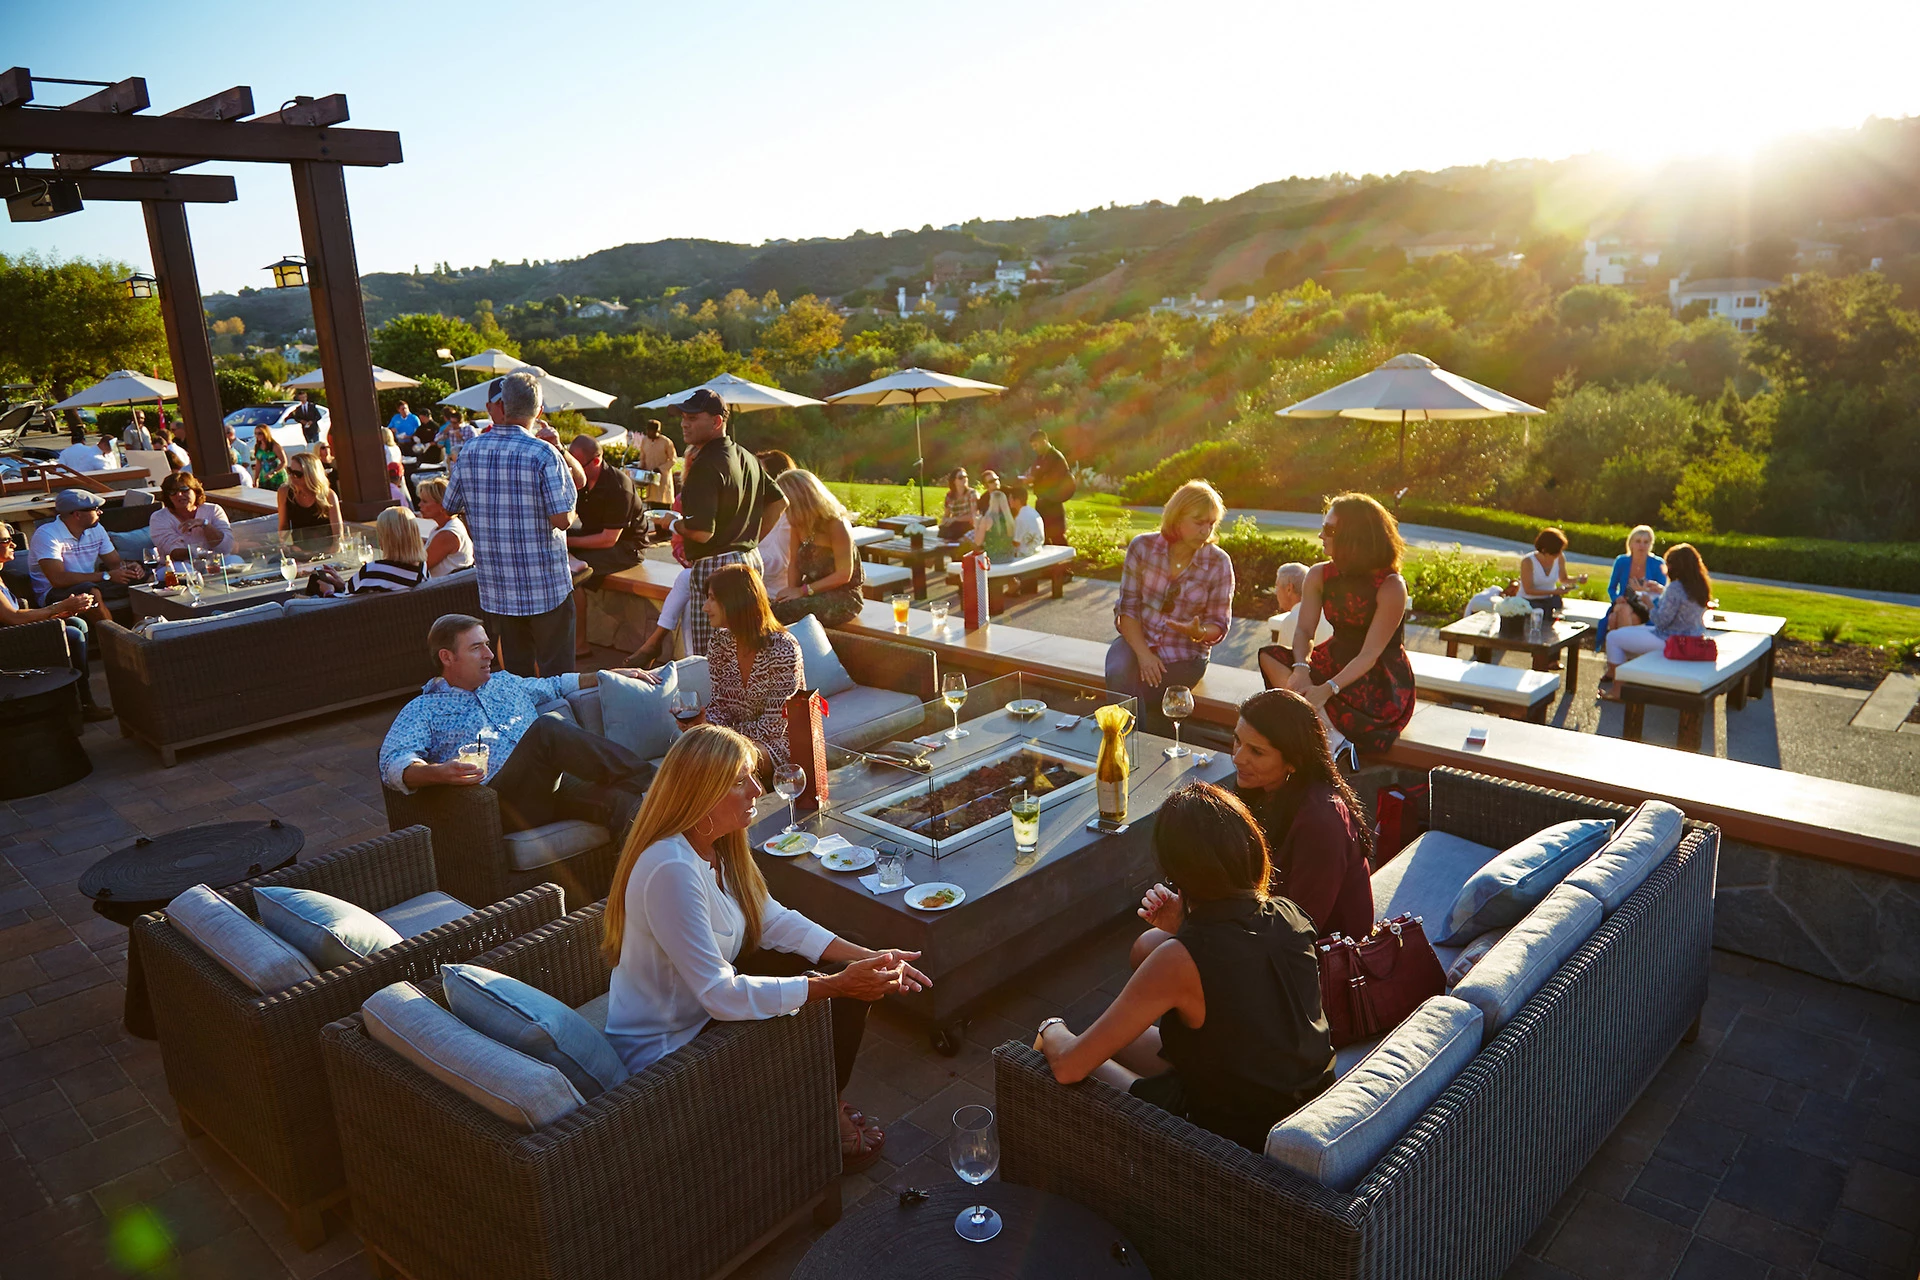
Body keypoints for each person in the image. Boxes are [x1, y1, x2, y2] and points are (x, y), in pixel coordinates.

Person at [599, 724, 929, 1172]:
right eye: (740, 781)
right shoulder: (670, 870)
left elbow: (772, 920)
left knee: (841, 973)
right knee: (835, 991)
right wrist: (833, 985)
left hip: (699, 1012)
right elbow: (718, 994)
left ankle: (822, 1094)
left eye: (753, 775)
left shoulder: (718, 845)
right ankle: (820, 1111)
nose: (758, 788)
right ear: (701, 794)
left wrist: (865, 955)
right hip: (669, 1047)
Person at [1031, 782, 1333, 1153]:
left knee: (1058, 1050)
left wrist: (1050, 1028)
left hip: (1227, 1140)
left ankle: (1056, 1159)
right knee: (1101, 1034)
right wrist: (1186, 924)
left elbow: (1068, 1067)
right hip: (1295, 1105)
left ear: (1178, 870)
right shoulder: (1290, 915)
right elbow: (1227, 974)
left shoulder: (1182, 958)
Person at [378, 614, 656, 835]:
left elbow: (556, 685)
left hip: (548, 789)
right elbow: (393, 762)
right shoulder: (424, 708)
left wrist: (607, 674)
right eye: (477, 648)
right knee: (548, 728)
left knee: (625, 804)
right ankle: (659, 781)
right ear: (447, 657)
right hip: (501, 803)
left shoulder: (505, 682)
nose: (489, 654)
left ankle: (632, 891)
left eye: (487, 644)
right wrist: (439, 772)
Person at [443, 371, 579, 677]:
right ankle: (557, 724)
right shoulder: (544, 453)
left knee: (516, 675)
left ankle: (523, 726)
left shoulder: (470, 450)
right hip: (545, 586)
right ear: (539, 412)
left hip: (497, 586)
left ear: (502, 406)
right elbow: (562, 519)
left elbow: (449, 506)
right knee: (558, 676)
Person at [1260, 493, 1416, 760]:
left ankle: (1317, 741)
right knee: (1269, 657)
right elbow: (1304, 631)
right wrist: (1300, 668)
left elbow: (1370, 654)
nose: (1321, 535)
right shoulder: (1320, 574)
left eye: (1329, 529)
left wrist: (1327, 688)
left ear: (1355, 536)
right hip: (1333, 658)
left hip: (1376, 674)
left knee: (1318, 698)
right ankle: (1325, 736)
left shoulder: (1390, 585)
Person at [1231, 689, 1374, 940]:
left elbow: (1299, 926)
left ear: (1293, 761)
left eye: (1256, 751)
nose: (1237, 758)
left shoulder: (1322, 821)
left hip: (1319, 956)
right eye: (1237, 741)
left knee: (1157, 948)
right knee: (1156, 943)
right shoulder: (1262, 792)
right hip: (1265, 924)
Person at [1108, 480, 1234, 737]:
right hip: (1136, 642)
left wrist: (1197, 631)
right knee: (1118, 671)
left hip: (1184, 655)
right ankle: (1137, 747)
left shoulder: (1219, 563)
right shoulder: (1142, 548)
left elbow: (1219, 626)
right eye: (1199, 522)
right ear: (1176, 518)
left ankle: (1128, 745)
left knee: (1138, 689)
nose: (1206, 530)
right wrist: (1144, 654)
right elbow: (1127, 609)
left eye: (1211, 523)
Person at [661, 388, 775, 656]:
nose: (684, 422)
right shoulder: (747, 456)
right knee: (745, 647)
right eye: (683, 416)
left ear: (716, 422)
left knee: (711, 657)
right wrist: (751, 540)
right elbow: (779, 502)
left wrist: (671, 523)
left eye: (692, 417)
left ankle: (717, 700)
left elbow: (701, 533)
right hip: (749, 561)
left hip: (716, 568)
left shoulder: (704, 464)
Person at [690, 563, 802, 772]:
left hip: (780, 743)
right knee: (688, 752)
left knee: (726, 764)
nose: (705, 607)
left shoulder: (783, 647)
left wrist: (720, 734)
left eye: (713, 599)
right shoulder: (720, 642)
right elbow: (721, 704)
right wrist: (704, 722)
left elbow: (774, 727)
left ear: (735, 601)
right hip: (736, 740)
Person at [0, 521, 112, 721]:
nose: (14, 544)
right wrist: (58, 608)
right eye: (6, 540)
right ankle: (81, 702)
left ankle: (81, 699)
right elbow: (13, 618)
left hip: (15, 632)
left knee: (77, 623)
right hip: (8, 644)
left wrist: (59, 614)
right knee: (74, 634)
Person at [567, 433, 644, 656]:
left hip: (625, 547)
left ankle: (579, 646)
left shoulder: (619, 485)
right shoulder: (579, 483)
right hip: (595, 536)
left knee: (572, 577)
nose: (572, 471)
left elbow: (609, 538)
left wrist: (567, 542)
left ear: (596, 461)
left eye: (576, 465)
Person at [1601, 542, 1712, 696]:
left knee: (1613, 637)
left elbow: (1661, 621)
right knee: (1629, 632)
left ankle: (1618, 690)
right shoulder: (1701, 586)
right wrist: (1662, 591)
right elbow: (1680, 606)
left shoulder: (1676, 588)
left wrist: (1648, 603)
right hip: (1691, 638)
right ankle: (1626, 678)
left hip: (1670, 640)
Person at [769, 469, 863, 628]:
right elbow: (794, 564)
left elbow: (843, 575)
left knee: (777, 615)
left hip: (843, 597)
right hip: (811, 592)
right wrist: (791, 591)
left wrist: (802, 592)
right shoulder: (798, 524)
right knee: (769, 610)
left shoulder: (837, 525)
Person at [28, 490, 145, 616]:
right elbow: (58, 579)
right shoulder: (47, 535)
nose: (100, 512)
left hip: (92, 581)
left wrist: (129, 567)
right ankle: (114, 635)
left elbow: (115, 564)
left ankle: (142, 629)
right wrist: (107, 576)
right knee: (90, 592)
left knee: (146, 577)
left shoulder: (97, 529)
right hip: (54, 592)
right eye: (95, 509)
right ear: (77, 515)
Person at [1599, 524, 1667, 651]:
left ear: (1651, 544)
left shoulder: (1658, 563)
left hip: (1647, 606)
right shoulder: (1622, 561)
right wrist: (1617, 597)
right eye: (1638, 541)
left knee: (1615, 617)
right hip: (1625, 602)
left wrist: (1644, 590)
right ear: (1631, 543)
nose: (1642, 545)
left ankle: (1617, 658)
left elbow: (1661, 592)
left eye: (1646, 542)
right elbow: (1612, 588)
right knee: (1621, 610)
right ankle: (1625, 656)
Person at [148, 472, 235, 563]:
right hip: (179, 566)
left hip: (216, 562)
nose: (179, 495)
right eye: (172, 492)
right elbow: (173, 552)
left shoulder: (213, 510)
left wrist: (204, 524)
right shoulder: (159, 517)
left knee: (235, 560)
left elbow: (226, 547)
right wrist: (201, 553)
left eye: (184, 489)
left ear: (195, 491)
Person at [349, 506, 426, 594]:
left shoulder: (372, 571)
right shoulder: (423, 569)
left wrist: (331, 587)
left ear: (386, 539)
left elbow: (344, 597)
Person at [753, 449, 797, 593]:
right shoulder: (753, 510)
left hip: (775, 593)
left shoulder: (789, 518)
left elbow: (776, 564)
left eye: (761, 475)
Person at [277, 452, 344, 546]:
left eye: (297, 474)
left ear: (311, 475)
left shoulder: (329, 496)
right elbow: (284, 527)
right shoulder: (284, 492)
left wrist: (330, 554)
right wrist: (288, 548)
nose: (292, 476)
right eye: (289, 471)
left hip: (325, 550)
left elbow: (338, 534)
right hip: (298, 550)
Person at [415, 477, 474, 579]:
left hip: (443, 591)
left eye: (424, 501)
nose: (419, 505)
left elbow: (418, 568)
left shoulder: (447, 534)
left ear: (442, 505)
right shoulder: (448, 525)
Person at [1022, 428, 1073, 546]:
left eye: (1036, 445)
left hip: (1053, 503)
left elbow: (1055, 480)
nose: (1034, 449)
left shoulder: (1056, 457)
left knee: (1057, 536)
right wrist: (1029, 478)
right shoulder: (1040, 457)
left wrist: (1035, 480)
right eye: (1032, 446)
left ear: (1044, 441)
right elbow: (1035, 472)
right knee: (1043, 534)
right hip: (1042, 502)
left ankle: (1065, 561)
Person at [1519, 527, 1587, 615]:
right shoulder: (1528, 561)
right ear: (1544, 550)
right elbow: (1528, 590)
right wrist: (1554, 591)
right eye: (1555, 553)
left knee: (1556, 607)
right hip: (1529, 601)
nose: (1558, 554)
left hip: (1550, 600)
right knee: (1540, 610)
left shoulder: (1559, 557)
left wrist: (1578, 579)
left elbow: (1563, 579)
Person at [1270, 561, 1333, 650]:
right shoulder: (1328, 613)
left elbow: (1284, 661)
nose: (1276, 592)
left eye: (1277, 587)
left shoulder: (1291, 621)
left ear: (1289, 589)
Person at [636, 418, 677, 507]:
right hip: (650, 480)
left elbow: (673, 460)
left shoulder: (666, 442)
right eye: (649, 431)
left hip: (663, 480)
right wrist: (640, 467)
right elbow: (642, 458)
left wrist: (660, 469)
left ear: (658, 431)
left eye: (652, 431)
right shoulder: (645, 440)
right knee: (652, 509)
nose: (650, 433)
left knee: (663, 508)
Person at [1005, 478, 1045, 558]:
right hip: (1038, 548)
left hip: (1026, 553)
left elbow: (1016, 542)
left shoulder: (1020, 518)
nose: (1008, 501)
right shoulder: (1032, 511)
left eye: (1010, 498)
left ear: (1017, 501)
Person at [972, 488, 1016, 560]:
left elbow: (978, 542)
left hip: (992, 559)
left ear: (991, 502)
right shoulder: (1009, 519)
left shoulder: (987, 519)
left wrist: (976, 525)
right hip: (1009, 557)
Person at [938, 467, 976, 541]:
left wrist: (954, 519)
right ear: (954, 481)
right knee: (942, 537)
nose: (964, 479)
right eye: (960, 477)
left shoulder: (971, 493)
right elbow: (946, 515)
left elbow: (973, 515)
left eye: (965, 477)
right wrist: (945, 522)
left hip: (968, 526)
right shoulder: (949, 496)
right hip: (955, 527)